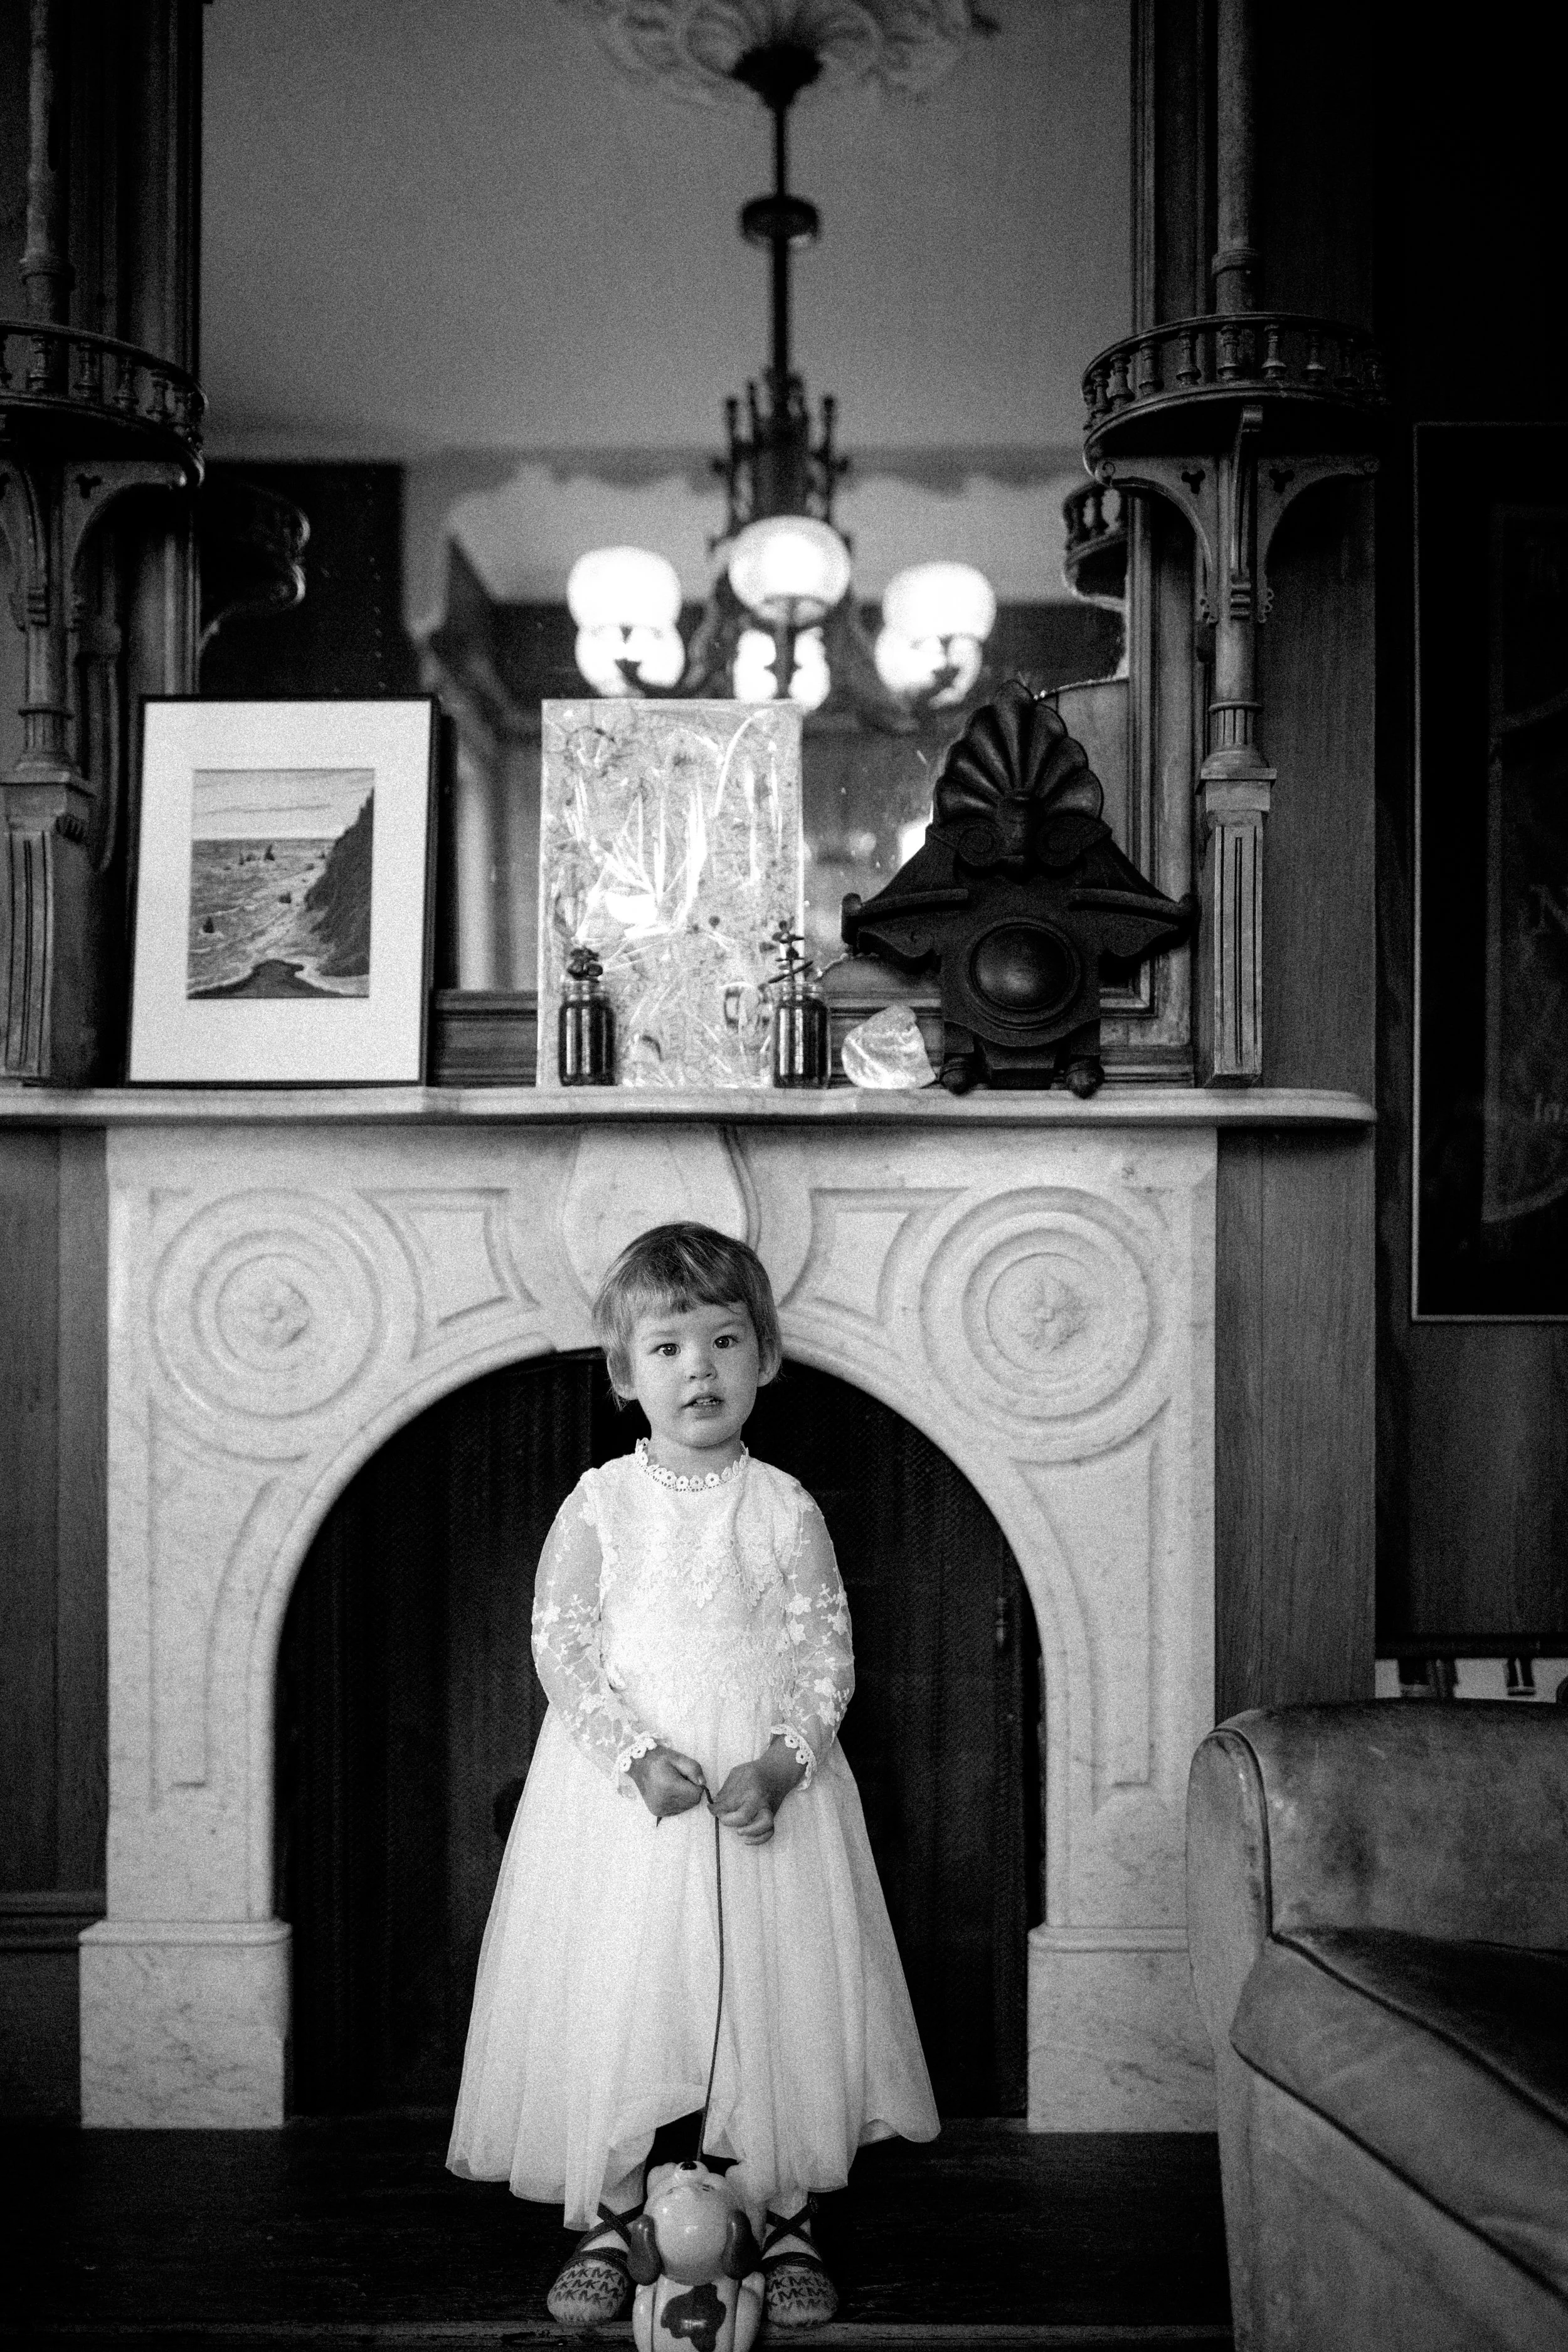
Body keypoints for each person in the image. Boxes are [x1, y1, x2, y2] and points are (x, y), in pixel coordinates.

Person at [447, 1221, 938, 2328]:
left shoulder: (784, 1507)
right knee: (632, 1987)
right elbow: (561, 1644)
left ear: (764, 1356)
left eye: (723, 1341)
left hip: (760, 1795)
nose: (699, 1368)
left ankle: (781, 2206)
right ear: (627, 1375)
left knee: (774, 1996)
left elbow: (825, 1655)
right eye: (668, 1348)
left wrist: (783, 1759)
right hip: (631, 1800)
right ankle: (619, 2209)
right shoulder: (599, 1504)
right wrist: (629, 1754)